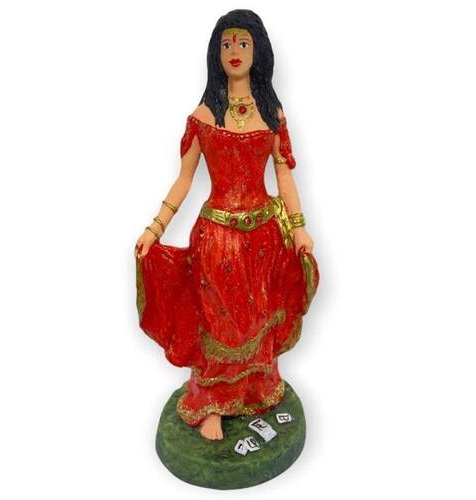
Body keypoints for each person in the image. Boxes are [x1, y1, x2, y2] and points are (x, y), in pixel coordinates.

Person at [134, 9, 320, 441]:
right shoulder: (203, 116)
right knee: (221, 325)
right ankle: (212, 403)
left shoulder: (271, 113)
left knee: (257, 319)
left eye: (243, 42)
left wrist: (299, 227)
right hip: (217, 240)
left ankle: (256, 390)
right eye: (226, 43)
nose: (234, 51)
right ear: (215, 53)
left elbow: (285, 174)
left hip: (265, 238)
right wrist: (155, 228)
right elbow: (184, 179)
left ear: (258, 51)